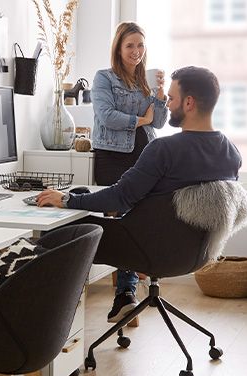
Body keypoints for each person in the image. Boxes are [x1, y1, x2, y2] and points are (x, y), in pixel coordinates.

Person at [36, 66, 242, 323]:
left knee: (60, 229)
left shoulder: (164, 149)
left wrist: (67, 200)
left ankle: (47, 321)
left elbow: (120, 197)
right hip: (196, 255)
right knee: (88, 202)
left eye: (171, 98)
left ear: (189, 103)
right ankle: (122, 295)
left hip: (149, 250)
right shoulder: (231, 152)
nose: (166, 103)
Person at [90, 22, 168, 320]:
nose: (136, 51)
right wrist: (141, 118)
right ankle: (126, 294)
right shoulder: (104, 78)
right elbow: (106, 117)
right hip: (112, 156)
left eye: (140, 45)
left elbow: (158, 123)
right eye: (130, 46)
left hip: (144, 156)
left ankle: (127, 294)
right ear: (118, 48)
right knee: (120, 220)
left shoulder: (146, 82)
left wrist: (160, 96)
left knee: (139, 220)